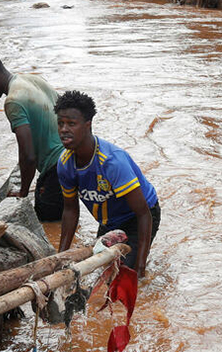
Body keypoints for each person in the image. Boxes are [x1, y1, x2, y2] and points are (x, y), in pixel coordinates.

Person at [55, 91, 160, 278]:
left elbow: (143, 213)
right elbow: (70, 210)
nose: (64, 129)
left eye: (71, 124)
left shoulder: (111, 161)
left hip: (139, 217)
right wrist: (60, 259)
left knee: (125, 275)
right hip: (110, 221)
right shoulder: (65, 163)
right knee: (102, 270)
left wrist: (140, 267)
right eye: (60, 123)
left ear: (88, 125)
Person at [0, 52, 64, 221]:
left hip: (55, 167)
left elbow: (28, 156)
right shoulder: (33, 80)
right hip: (72, 158)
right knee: (67, 212)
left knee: (48, 222)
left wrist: (23, 191)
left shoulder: (13, 101)